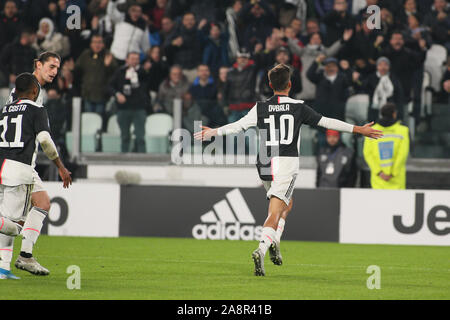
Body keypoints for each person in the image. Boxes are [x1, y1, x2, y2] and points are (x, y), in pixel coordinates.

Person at [195, 64, 383, 276]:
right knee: (275, 212)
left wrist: (214, 132)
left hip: (265, 162)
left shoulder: (260, 107)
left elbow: (237, 126)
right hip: (285, 163)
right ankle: (261, 249)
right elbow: (326, 122)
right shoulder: (298, 107)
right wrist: (359, 129)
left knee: (287, 203)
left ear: (270, 85)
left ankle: (275, 241)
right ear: (290, 84)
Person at [0, 73, 72, 279]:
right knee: (15, 227)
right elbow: (45, 140)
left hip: (1, 168)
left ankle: (3, 269)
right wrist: (60, 165)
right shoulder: (36, 109)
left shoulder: (4, 110)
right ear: (34, 91)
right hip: (18, 171)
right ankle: (15, 261)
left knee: (6, 221)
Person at [109, 52, 152, 153]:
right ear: (127, 60)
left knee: (140, 137)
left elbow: (148, 87)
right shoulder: (120, 72)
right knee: (125, 136)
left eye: (136, 59)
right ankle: (124, 159)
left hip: (139, 108)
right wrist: (117, 94)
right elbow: (109, 86)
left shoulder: (143, 72)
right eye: (132, 59)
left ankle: (142, 159)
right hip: (124, 108)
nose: (134, 61)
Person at [363, 103, 409, 190]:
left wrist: (379, 172)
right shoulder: (403, 131)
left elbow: (367, 154)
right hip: (397, 180)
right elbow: (402, 154)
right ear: (394, 114)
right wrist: (393, 173)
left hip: (378, 181)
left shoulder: (371, 131)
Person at [74, 34, 118, 115]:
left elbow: (115, 74)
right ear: (91, 44)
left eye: (99, 42)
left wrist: (108, 66)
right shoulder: (85, 55)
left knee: (99, 118)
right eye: (95, 42)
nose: (97, 45)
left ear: (103, 44)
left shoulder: (108, 55)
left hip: (101, 94)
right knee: (89, 118)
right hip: (87, 93)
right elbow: (77, 70)